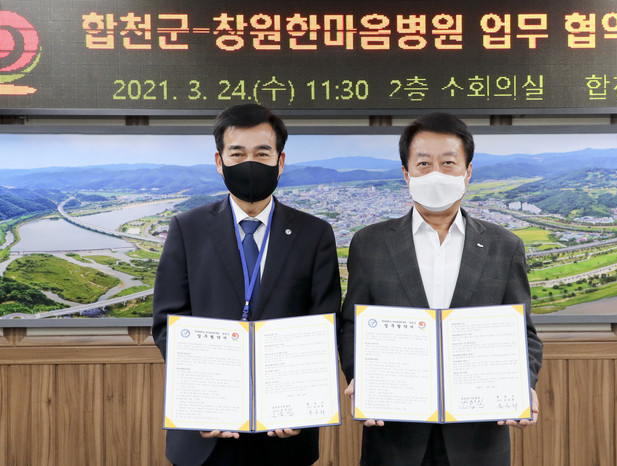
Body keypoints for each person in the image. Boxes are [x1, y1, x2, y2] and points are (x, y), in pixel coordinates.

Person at [339, 112, 543, 465]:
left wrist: (521, 385)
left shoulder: (504, 246)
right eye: (423, 164)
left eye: (448, 163)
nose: (436, 174)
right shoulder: (370, 243)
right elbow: (353, 325)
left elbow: (523, 333)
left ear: (468, 171)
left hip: (478, 435)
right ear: (406, 173)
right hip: (394, 432)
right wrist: (363, 379)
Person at [152, 103, 342, 466]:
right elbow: (167, 322)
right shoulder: (187, 228)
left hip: (286, 432)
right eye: (237, 153)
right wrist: (201, 399)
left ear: (280, 161)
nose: (249, 163)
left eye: (262, 153)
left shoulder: (314, 233)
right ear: (220, 161)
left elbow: (324, 321)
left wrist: (300, 401)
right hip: (205, 431)